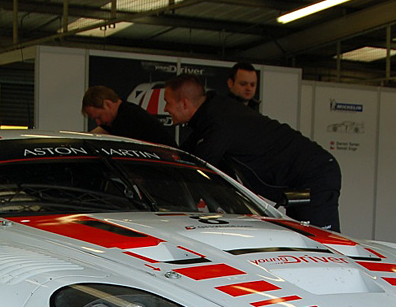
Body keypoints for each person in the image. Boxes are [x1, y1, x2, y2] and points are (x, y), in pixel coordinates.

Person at [164, 73, 341, 231]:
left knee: (321, 243)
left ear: (184, 103)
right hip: (300, 178)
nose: (165, 109)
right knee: (300, 238)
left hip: (315, 174)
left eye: (167, 103)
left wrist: (168, 214)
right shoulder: (210, 116)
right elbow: (184, 157)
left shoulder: (218, 121)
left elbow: (197, 173)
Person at [81, 85, 176, 147]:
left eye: (99, 117)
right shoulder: (124, 112)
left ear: (107, 104)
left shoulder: (127, 120)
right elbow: (92, 136)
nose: (98, 123)